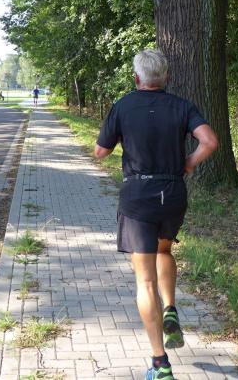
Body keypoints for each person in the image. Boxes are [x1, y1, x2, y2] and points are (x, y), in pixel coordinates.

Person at [94, 49, 219, 380]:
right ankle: (170, 308)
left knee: (145, 280)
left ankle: (160, 364)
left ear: (137, 78)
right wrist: (189, 163)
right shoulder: (182, 106)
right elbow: (209, 141)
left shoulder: (122, 106)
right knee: (165, 250)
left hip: (138, 197)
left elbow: (101, 151)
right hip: (173, 194)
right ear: (166, 77)